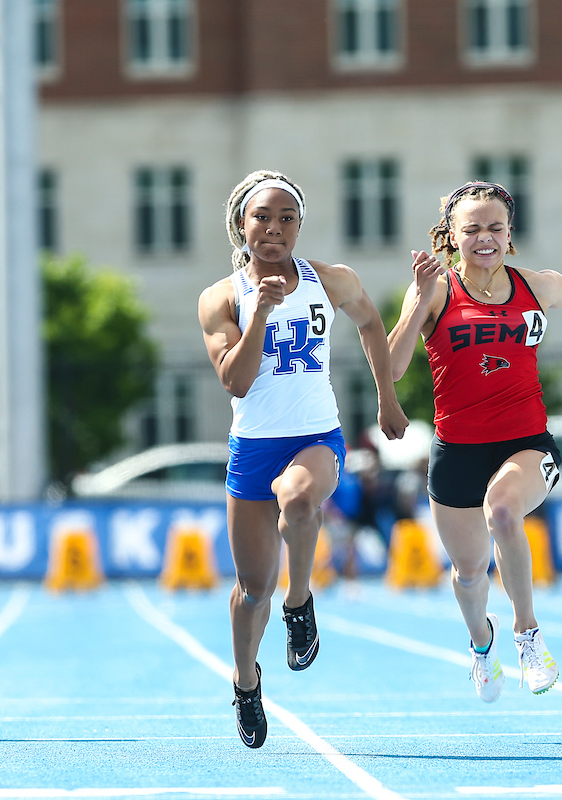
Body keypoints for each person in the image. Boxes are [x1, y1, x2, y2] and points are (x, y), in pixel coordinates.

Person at [388, 181, 562, 702]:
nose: (484, 238)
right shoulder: (435, 290)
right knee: (469, 574)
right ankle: (481, 644)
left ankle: (528, 636)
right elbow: (395, 363)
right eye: (471, 229)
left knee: (502, 512)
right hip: (456, 451)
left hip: (527, 441)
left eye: (495, 227)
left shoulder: (537, 286)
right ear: (452, 235)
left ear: (510, 232)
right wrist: (416, 303)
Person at [198, 170, 409, 748]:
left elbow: (371, 324)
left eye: (286, 218)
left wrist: (387, 398)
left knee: (297, 499)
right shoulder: (221, 297)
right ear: (241, 224)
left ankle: (301, 603)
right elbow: (236, 383)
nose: (274, 228)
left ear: (299, 227)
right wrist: (260, 314)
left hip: (316, 435)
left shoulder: (333, 280)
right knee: (250, 590)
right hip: (253, 447)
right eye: (262, 217)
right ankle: (246, 680)